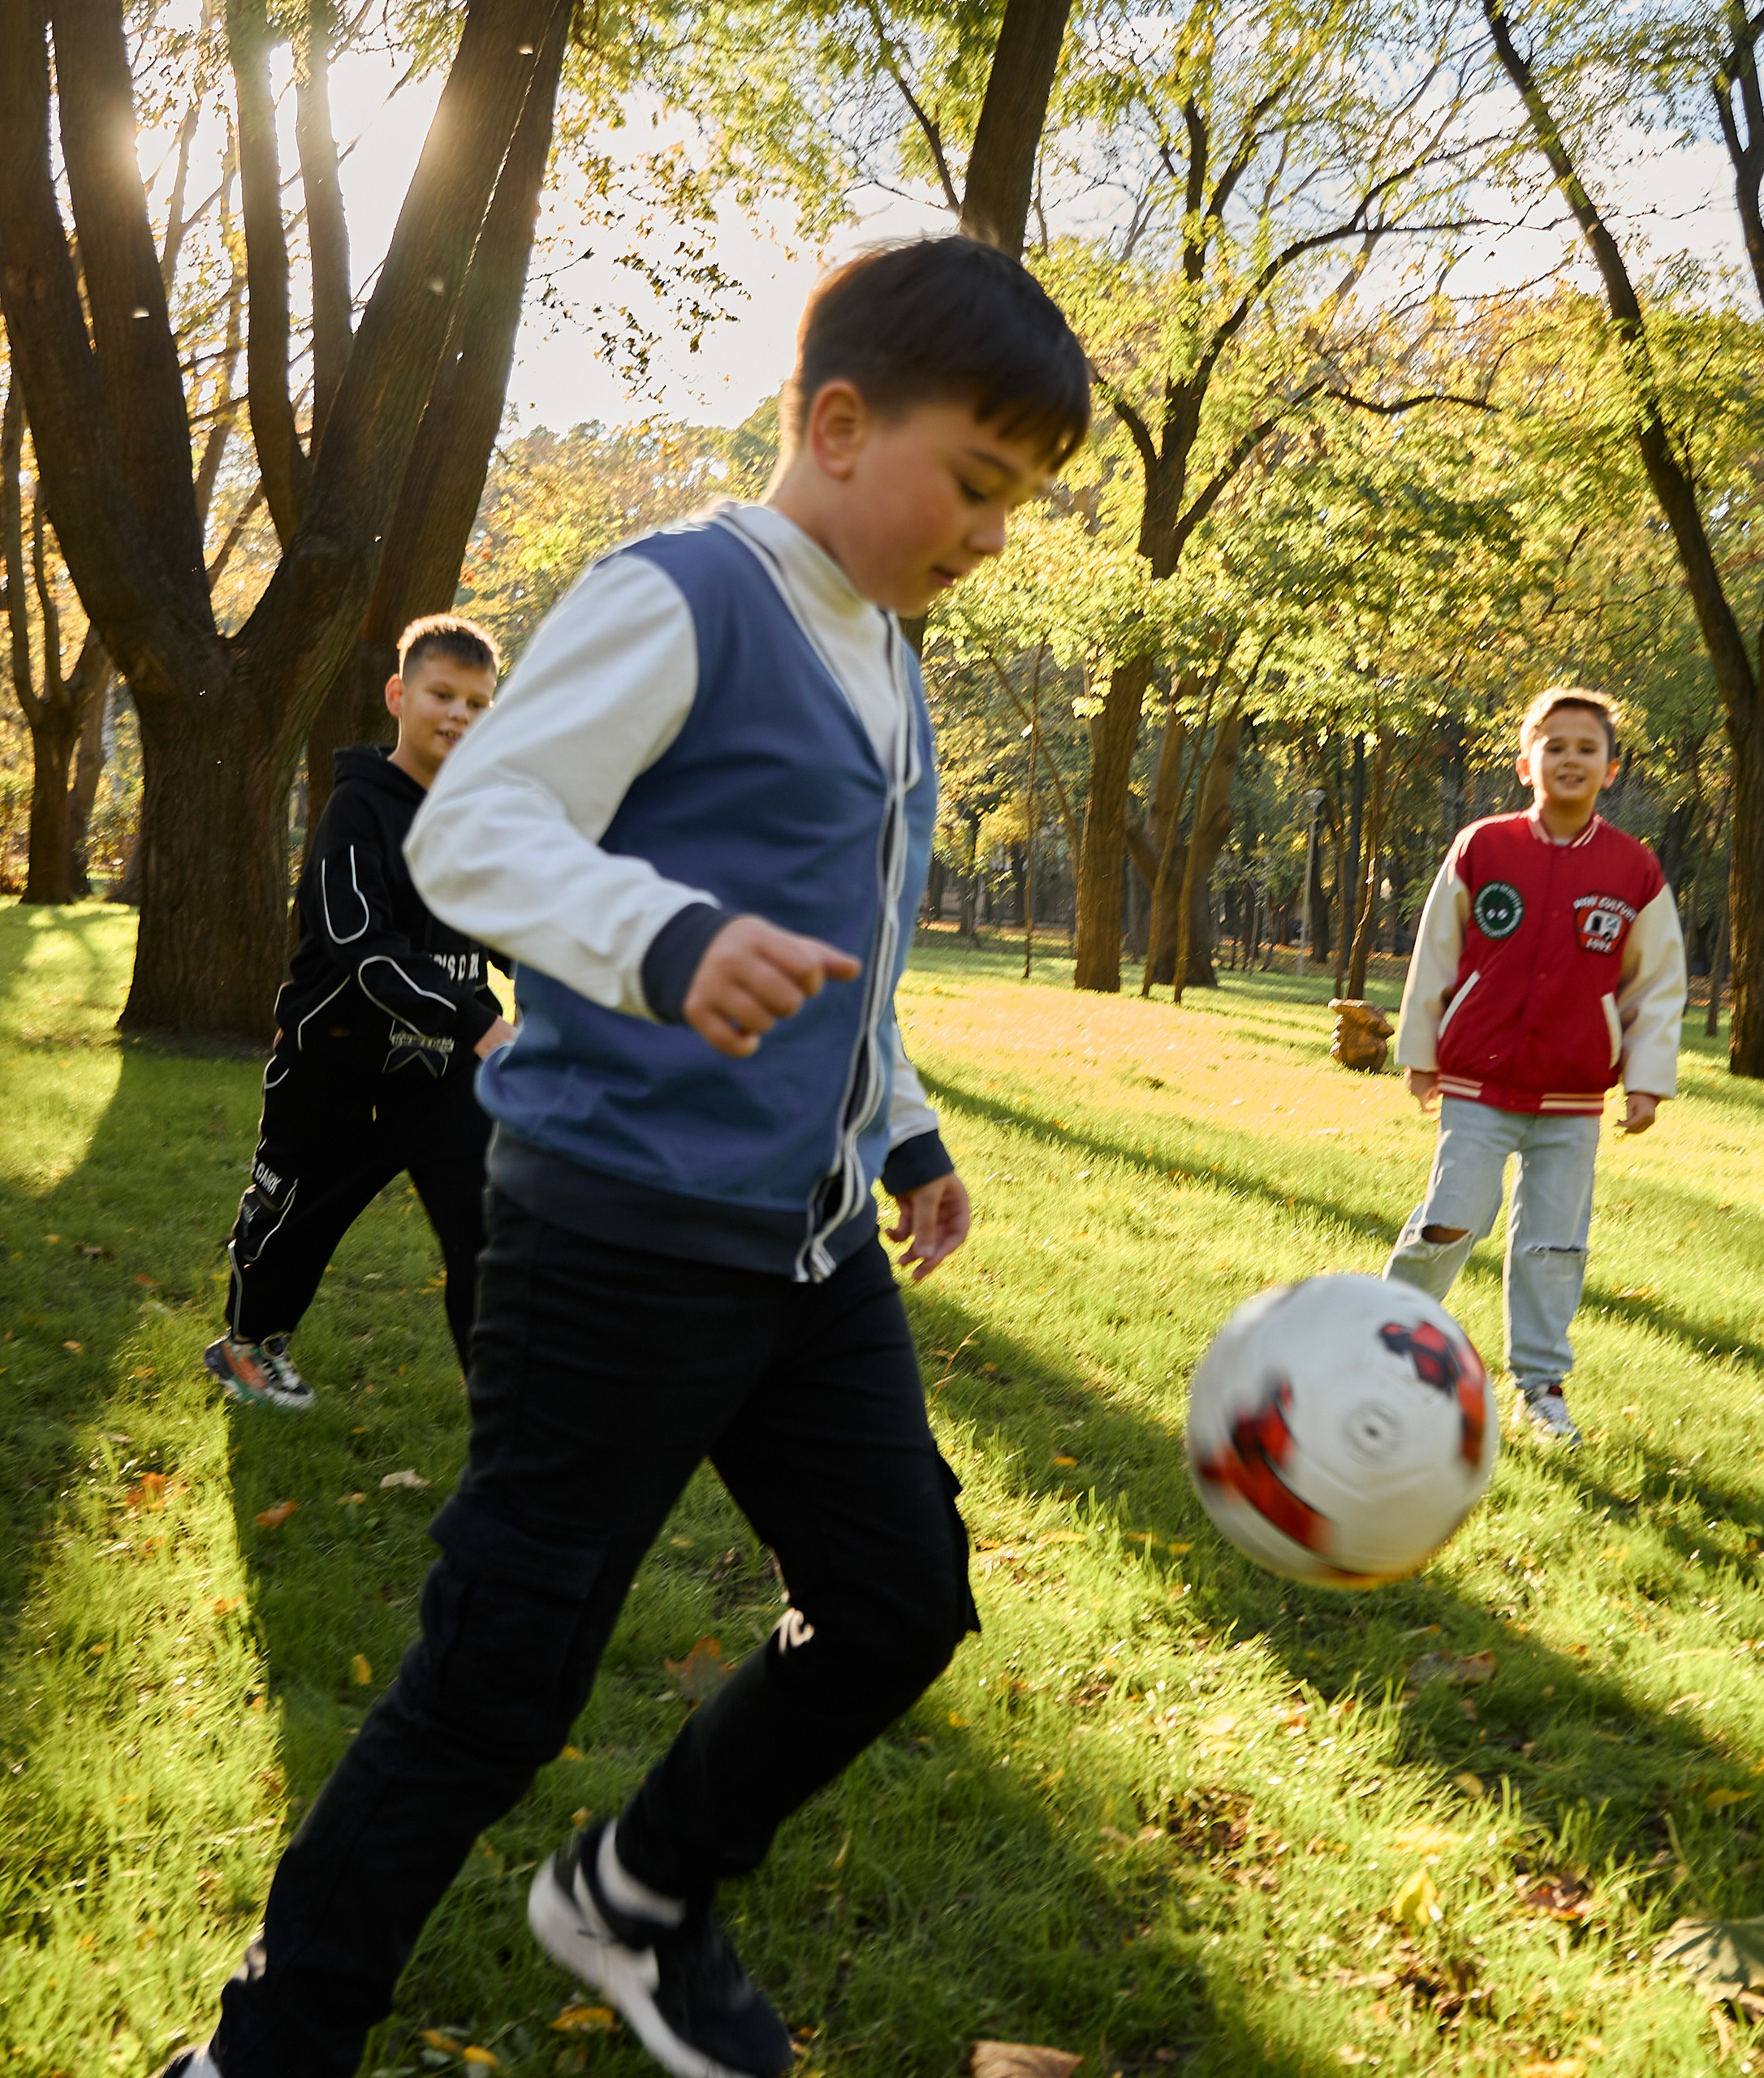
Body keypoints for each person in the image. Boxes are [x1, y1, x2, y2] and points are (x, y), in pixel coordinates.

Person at [154, 238, 1089, 2078]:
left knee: (899, 1596)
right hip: (618, 1241)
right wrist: (660, 937)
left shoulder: (886, 655)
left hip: (806, 1254)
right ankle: (262, 2045)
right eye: (972, 483)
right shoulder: (680, 596)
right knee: (501, 1673)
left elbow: (850, 957)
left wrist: (897, 1130)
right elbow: (476, 835)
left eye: (1018, 502)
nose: (989, 532)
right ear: (832, 422)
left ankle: (639, 1890)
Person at [203, 616, 514, 1413]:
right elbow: (357, 942)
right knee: (294, 1220)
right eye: (442, 695)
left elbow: (515, 924)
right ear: (398, 695)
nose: (459, 715)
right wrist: (475, 1019)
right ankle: (248, 1345)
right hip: (337, 1064)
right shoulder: (357, 808)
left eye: (479, 703)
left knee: (489, 1225)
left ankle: (504, 1403)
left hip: (440, 1073)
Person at [1382, 687, 1684, 1447]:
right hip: (1479, 1084)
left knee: (1554, 1244)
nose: (1571, 759)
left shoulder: (1634, 870)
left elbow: (1656, 983)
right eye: (1555, 746)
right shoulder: (1483, 849)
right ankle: (1388, 1345)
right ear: (1527, 763)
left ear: (1611, 769)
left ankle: (1540, 1389)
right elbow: (1436, 957)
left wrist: (1646, 1079)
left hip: (1572, 1095)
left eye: (1587, 749)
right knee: (1451, 1219)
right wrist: (1421, 1053)